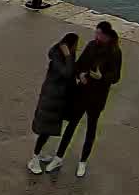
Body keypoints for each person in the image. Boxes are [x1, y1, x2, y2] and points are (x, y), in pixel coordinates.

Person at [55, 20, 123, 177]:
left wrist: (101, 77)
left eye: (99, 34)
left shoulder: (115, 52)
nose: (96, 37)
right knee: (71, 125)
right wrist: (80, 75)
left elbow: (116, 77)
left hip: (97, 97)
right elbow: (79, 65)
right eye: (96, 33)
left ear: (106, 36)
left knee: (91, 129)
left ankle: (82, 162)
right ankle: (58, 157)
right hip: (83, 92)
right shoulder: (91, 46)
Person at [29, 33, 80, 172]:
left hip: (59, 100)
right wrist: (69, 56)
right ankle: (34, 158)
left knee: (48, 130)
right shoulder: (58, 57)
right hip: (51, 99)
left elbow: (72, 73)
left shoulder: (67, 57)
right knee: (45, 130)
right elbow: (67, 73)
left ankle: (38, 154)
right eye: (76, 44)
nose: (77, 47)